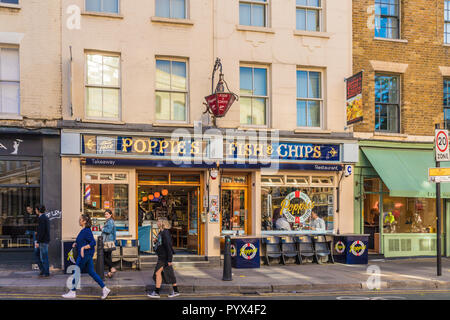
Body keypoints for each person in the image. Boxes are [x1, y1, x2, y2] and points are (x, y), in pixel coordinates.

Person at [62, 214, 111, 299]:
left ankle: (72, 292)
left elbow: (93, 242)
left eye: (80, 219)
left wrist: (83, 248)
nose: (79, 220)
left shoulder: (87, 231)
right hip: (86, 255)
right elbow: (82, 241)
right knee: (91, 272)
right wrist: (76, 244)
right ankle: (105, 288)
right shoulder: (83, 230)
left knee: (76, 271)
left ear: (84, 221)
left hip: (84, 255)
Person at [147, 217, 179, 298]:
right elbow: (161, 242)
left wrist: (169, 259)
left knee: (158, 273)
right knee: (169, 273)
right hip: (161, 256)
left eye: (158, 221)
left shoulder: (165, 233)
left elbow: (168, 246)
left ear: (162, 223)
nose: (157, 223)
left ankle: (157, 292)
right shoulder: (161, 232)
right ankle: (175, 291)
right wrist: (156, 241)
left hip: (164, 257)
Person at [35, 205, 50, 277]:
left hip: (42, 241)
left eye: (36, 209)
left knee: (43, 257)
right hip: (43, 240)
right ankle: (43, 270)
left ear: (38, 210)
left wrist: (38, 241)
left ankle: (46, 272)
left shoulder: (42, 218)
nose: (35, 210)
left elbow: (42, 231)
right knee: (38, 255)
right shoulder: (44, 218)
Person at [101, 209, 117, 278]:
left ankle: (112, 268)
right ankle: (110, 272)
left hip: (108, 242)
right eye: (105, 214)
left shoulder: (110, 221)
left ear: (110, 215)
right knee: (108, 257)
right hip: (109, 241)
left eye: (107, 214)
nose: (106, 215)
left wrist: (102, 228)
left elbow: (109, 230)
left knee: (105, 257)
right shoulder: (109, 221)